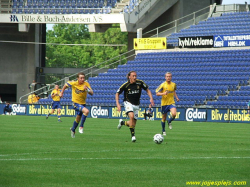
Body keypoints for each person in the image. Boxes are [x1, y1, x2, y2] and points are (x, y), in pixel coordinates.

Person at [116, 71, 154, 142]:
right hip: (128, 103)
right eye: (133, 76)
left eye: (135, 76)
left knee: (132, 123)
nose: (135, 77)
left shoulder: (140, 83)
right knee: (131, 116)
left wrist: (151, 98)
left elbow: (147, 90)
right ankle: (133, 136)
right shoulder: (126, 85)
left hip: (136, 105)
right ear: (129, 77)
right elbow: (117, 93)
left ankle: (122, 123)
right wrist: (118, 104)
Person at [60, 72, 93, 138]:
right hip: (75, 103)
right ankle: (81, 127)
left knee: (78, 118)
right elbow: (65, 85)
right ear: (77, 78)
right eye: (81, 78)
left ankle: (73, 129)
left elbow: (92, 93)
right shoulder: (74, 83)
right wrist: (61, 93)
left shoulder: (86, 84)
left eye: (83, 78)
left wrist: (87, 89)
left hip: (83, 103)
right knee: (86, 111)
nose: (82, 79)